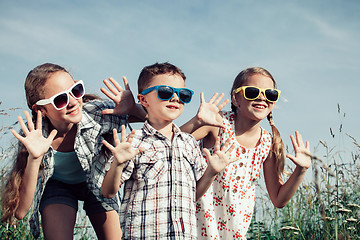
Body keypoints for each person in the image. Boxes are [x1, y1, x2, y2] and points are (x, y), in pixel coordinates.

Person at [0, 63, 145, 239]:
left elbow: (154, 118)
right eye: (60, 100)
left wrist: (133, 108)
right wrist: (34, 158)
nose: (73, 102)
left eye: (76, 90)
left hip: (98, 183)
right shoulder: (34, 136)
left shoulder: (96, 112)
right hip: (58, 186)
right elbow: (20, 212)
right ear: (40, 109)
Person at [101, 62, 236, 239]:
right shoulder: (134, 141)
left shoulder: (189, 143)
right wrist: (117, 165)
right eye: (165, 92)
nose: (175, 98)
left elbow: (193, 194)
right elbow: (108, 192)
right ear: (143, 100)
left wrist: (211, 172)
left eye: (183, 95)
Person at [181, 67, 311, 239]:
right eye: (252, 92)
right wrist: (197, 122)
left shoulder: (267, 143)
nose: (261, 97)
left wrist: (301, 171)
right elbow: (171, 140)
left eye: (270, 94)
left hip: (234, 231)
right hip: (196, 225)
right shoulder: (217, 123)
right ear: (235, 99)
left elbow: (279, 199)